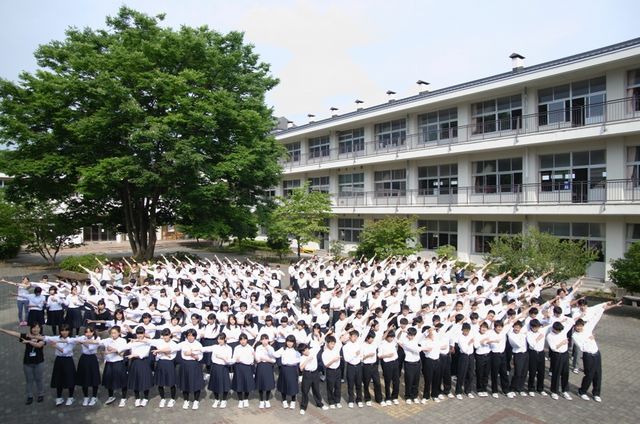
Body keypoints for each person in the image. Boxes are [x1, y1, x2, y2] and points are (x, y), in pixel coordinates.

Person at [572, 301, 621, 402]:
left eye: (580, 326)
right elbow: (582, 347)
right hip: (588, 355)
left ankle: (596, 393)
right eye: (577, 326)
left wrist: (604, 307)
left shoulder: (587, 328)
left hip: (596, 353)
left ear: (583, 325)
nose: (579, 327)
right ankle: (582, 391)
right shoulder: (575, 335)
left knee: (598, 374)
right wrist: (589, 339)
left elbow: (596, 317)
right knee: (589, 374)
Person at [0, 323, 46, 404]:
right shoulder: (27, 336)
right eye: (34, 328)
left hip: (39, 362)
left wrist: (28, 341)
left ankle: (40, 394)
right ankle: (29, 396)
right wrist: (2, 330)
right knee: (29, 380)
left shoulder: (43, 337)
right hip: (27, 363)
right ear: (31, 328)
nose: (36, 329)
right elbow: (15, 334)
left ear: (40, 329)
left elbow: (39, 345)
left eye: (38, 328)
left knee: (39, 379)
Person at [43, 323, 77, 406]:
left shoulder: (72, 340)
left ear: (69, 331)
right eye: (62, 330)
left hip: (68, 360)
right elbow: (46, 338)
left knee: (70, 378)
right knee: (58, 378)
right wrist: (34, 336)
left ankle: (70, 397)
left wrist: (56, 346)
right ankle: (59, 397)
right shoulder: (56, 338)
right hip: (59, 360)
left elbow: (65, 351)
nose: (64, 332)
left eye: (66, 330)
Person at [99, 326, 129, 407]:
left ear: (119, 333)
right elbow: (98, 342)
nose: (113, 335)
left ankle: (123, 398)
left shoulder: (123, 341)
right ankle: (111, 396)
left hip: (118, 362)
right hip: (109, 362)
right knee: (109, 380)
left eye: (115, 333)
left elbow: (122, 353)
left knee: (122, 380)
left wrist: (113, 349)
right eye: (112, 333)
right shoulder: (107, 340)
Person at [150, 328, 179, 408]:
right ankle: (162, 398)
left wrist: (159, 351)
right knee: (160, 383)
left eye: (167, 335)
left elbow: (169, 351)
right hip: (160, 363)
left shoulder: (173, 343)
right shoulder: (159, 341)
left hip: (169, 363)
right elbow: (148, 341)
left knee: (171, 383)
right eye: (164, 335)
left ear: (170, 335)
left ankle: (172, 399)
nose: (165, 337)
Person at [177, 328, 205, 410]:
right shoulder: (183, 343)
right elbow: (173, 348)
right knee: (185, 383)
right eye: (189, 335)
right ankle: (186, 400)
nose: (190, 337)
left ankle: (196, 401)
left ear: (195, 336)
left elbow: (200, 356)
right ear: (186, 336)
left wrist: (192, 354)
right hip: (185, 364)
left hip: (195, 364)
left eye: (192, 336)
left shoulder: (198, 344)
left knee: (196, 383)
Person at [126, 326, 153, 407]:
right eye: (138, 334)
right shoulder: (133, 342)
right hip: (134, 362)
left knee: (145, 380)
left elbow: (145, 353)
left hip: (144, 362)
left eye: (141, 333)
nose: (139, 335)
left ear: (144, 334)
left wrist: (134, 355)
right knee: (136, 380)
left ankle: (145, 398)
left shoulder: (147, 342)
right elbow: (125, 347)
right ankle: (137, 398)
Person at [298, 342, 328, 415]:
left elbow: (319, 343)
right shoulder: (301, 358)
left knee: (316, 389)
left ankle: (319, 404)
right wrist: (307, 360)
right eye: (304, 351)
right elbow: (301, 368)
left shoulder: (312, 351)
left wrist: (319, 336)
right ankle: (303, 407)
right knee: (305, 391)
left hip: (315, 373)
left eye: (306, 349)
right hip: (307, 374)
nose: (306, 351)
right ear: (302, 352)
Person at [204, 332, 232, 408]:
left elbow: (228, 360)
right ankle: (217, 399)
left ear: (225, 339)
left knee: (225, 385)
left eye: (221, 339)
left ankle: (224, 400)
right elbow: (205, 349)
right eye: (219, 339)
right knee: (215, 384)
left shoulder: (229, 348)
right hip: (215, 367)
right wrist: (196, 349)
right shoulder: (215, 347)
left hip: (224, 367)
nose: (220, 341)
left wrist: (221, 357)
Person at [75, 327, 102, 406]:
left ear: (93, 332)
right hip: (84, 358)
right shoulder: (83, 337)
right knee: (84, 377)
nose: (88, 334)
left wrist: (83, 342)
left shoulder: (97, 338)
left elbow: (91, 348)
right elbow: (74, 340)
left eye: (90, 332)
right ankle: (86, 397)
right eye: (86, 332)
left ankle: (94, 396)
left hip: (92, 358)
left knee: (94, 377)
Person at [273, 334, 300, 409]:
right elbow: (275, 354)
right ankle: (284, 401)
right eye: (288, 341)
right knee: (283, 385)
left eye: (291, 342)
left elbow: (299, 359)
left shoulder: (296, 350)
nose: (289, 343)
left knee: (293, 385)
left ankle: (293, 401)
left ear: (294, 342)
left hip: (293, 369)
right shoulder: (283, 349)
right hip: (284, 369)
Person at [232, 333, 256, 408]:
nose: (243, 341)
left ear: (247, 340)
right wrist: (238, 360)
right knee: (239, 384)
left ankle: (245, 399)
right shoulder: (236, 348)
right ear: (239, 341)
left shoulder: (250, 348)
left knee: (247, 384)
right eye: (241, 340)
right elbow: (235, 358)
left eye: (244, 339)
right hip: (238, 367)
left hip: (247, 367)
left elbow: (251, 360)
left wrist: (241, 360)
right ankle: (240, 400)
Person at [378, 329, 400, 406]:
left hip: (395, 362)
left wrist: (401, 331)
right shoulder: (381, 344)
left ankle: (395, 397)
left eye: (392, 337)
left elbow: (398, 337)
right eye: (390, 337)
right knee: (387, 381)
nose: (392, 339)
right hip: (387, 363)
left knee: (396, 381)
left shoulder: (393, 342)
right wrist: (387, 355)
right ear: (386, 337)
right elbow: (379, 356)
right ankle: (388, 397)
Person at [254, 334, 277, 409]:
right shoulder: (258, 347)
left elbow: (274, 360)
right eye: (263, 339)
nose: (264, 341)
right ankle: (261, 400)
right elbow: (257, 359)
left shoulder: (271, 348)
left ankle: (267, 400)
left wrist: (266, 358)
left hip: (268, 366)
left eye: (266, 339)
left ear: (268, 340)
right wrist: (258, 358)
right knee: (260, 384)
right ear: (260, 340)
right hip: (260, 366)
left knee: (268, 384)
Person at [321, 334, 343, 409]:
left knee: (338, 386)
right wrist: (333, 360)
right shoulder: (325, 353)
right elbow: (326, 365)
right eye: (331, 344)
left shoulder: (336, 350)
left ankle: (337, 401)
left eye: (334, 344)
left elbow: (340, 340)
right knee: (330, 386)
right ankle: (331, 401)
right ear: (327, 343)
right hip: (330, 371)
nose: (332, 345)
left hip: (338, 370)